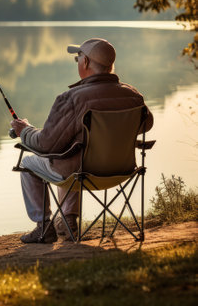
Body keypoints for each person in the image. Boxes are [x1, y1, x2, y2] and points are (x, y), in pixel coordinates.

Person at [11, 38, 153, 243]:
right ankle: (67, 222)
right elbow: (146, 124)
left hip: (83, 173)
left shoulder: (72, 99)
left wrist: (25, 131)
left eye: (78, 58)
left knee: (31, 162)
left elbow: (45, 144)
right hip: (123, 170)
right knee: (71, 148)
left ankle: (44, 227)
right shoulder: (132, 95)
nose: (77, 62)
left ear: (85, 62)